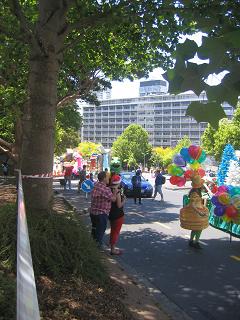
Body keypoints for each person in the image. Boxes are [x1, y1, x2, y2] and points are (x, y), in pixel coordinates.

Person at [90, 171, 117, 247]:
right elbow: (113, 199)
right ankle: (98, 248)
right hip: (101, 214)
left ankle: (92, 245)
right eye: (107, 177)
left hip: (93, 212)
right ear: (104, 178)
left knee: (94, 230)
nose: (109, 178)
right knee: (100, 231)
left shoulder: (95, 185)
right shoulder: (106, 190)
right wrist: (115, 192)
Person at [109, 175, 126, 255]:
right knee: (115, 232)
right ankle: (113, 249)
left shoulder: (109, 189)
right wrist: (124, 201)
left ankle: (112, 246)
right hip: (118, 214)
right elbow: (119, 205)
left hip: (111, 213)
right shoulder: (117, 192)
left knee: (113, 231)